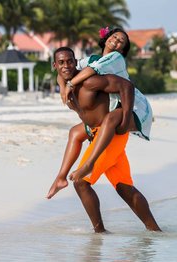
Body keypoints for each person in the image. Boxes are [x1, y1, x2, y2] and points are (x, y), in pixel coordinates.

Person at [47, 47, 160, 233]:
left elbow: (126, 86)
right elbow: (62, 77)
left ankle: (99, 234)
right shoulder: (66, 84)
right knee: (124, 188)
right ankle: (155, 232)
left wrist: (124, 119)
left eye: (69, 61)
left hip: (110, 135)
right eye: (61, 62)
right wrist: (62, 84)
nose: (66, 65)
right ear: (55, 65)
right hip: (100, 135)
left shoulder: (89, 82)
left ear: (76, 62)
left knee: (81, 182)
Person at [47, 27, 153, 198]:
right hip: (111, 110)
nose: (116, 41)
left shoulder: (115, 58)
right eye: (115, 36)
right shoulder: (93, 59)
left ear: (122, 48)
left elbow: (92, 72)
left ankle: (90, 164)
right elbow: (66, 67)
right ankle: (60, 177)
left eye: (121, 41)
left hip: (133, 107)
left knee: (83, 182)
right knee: (75, 132)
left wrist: (70, 85)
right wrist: (61, 85)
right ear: (107, 37)